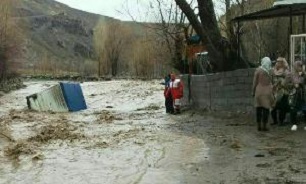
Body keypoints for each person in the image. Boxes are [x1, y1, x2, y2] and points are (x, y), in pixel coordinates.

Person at [252, 57, 275, 131]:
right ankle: (264, 125)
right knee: (266, 109)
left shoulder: (258, 70)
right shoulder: (271, 70)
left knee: (258, 109)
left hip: (259, 91)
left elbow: (255, 82)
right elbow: (273, 81)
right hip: (268, 92)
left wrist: (253, 91)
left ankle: (258, 125)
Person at [286, 61, 306, 129]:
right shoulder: (291, 74)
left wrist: (303, 75)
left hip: (302, 94)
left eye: (301, 66)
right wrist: (293, 85)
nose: (300, 68)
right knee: (293, 108)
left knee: (304, 108)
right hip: (294, 94)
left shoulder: (303, 74)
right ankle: (294, 123)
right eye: (299, 66)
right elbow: (286, 84)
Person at [271, 57, 290, 126]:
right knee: (273, 107)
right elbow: (272, 79)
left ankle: (281, 121)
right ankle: (275, 120)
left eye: (279, 62)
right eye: (277, 61)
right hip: (275, 91)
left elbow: (287, 81)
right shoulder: (274, 70)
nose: (277, 63)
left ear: (282, 63)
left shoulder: (286, 71)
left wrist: (281, 83)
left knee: (282, 107)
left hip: (283, 91)